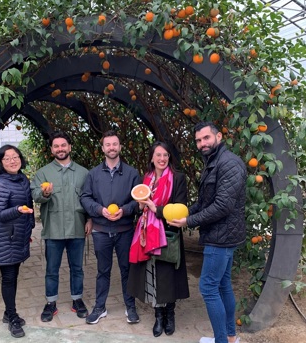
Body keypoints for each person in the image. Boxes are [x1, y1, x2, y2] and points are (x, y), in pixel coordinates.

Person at [170, 122, 246, 343]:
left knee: (208, 287)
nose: (202, 143)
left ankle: (222, 340)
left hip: (220, 237)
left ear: (218, 137)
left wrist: (189, 220)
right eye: (198, 140)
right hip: (222, 235)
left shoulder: (229, 163)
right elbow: (206, 202)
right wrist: (185, 213)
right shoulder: (214, 162)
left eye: (206, 138)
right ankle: (230, 337)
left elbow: (223, 206)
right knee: (222, 284)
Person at [127, 141, 190, 337]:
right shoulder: (146, 179)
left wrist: (157, 209)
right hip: (148, 234)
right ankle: (158, 316)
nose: (162, 159)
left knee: (168, 275)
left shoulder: (178, 178)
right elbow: (141, 207)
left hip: (168, 234)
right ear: (152, 158)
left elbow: (181, 207)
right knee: (152, 273)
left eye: (165, 155)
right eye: (158, 155)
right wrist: (140, 206)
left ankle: (170, 315)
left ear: (169, 157)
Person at [30, 131, 92, 323]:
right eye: (56, 146)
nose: (60, 149)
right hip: (53, 229)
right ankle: (51, 303)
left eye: (63, 145)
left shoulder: (83, 173)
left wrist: (90, 219)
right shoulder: (43, 173)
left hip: (77, 228)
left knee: (77, 268)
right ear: (51, 150)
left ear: (70, 147)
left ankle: (77, 299)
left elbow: (90, 198)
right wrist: (45, 194)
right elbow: (35, 195)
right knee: (51, 269)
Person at [80, 130, 140, 325]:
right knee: (103, 270)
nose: (112, 147)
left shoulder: (132, 173)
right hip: (101, 230)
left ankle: (130, 306)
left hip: (125, 230)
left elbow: (138, 201)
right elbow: (85, 197)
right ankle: (100, 307)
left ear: (120, 147)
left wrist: (125, 210)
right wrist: (98, 210)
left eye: (115, 144)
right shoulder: (93, 174)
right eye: (108, 144)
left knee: (127, 270)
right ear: (103, 148)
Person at [0, 145, 35, 339]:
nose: (12, 161)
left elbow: (30, 204)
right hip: (4, 238)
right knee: (8, 277)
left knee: (14, 275)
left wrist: (29, 226)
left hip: (19, 236)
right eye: (7, 158)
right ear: (0, 163)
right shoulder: (0, 185)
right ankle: (12, 317)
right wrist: (18, 210)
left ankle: (8, 312)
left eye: (15, 157)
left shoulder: (23, 178)